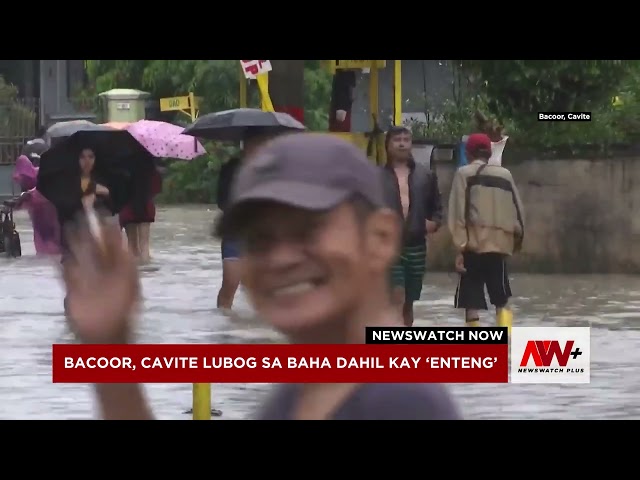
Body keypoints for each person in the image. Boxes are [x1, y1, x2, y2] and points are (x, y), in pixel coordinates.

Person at [61, 133, 461, 420]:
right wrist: (111, 349)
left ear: (380, 238)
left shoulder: (396, 400)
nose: (281, 259)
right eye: (260, 239)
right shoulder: (307, 389)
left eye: (307, 230)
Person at [447, 133, 525, 330]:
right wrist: (515, 242)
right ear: (489, 152)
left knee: (471, 301)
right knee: (502, 299)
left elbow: (457, 212)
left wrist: (460, 247)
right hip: (499, 246)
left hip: (473, 246)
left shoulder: (464, 174)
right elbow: (518, 210)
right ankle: (505, 342)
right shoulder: (505, 174)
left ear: (468, 152)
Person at [381, 126, 443, 327]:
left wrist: (434, 222)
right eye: (397, 139)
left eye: (406, 140)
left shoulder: (425, 175)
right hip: (389, 245)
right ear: (387, 145)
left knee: (408, 302)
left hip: (416, 244)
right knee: (396, 295)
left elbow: (437, 207)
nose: (401, 143)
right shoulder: (375, 176)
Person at [215, 128, 280, 310]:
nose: (260, 149)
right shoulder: (231, 168)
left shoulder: (270, 170)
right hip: (235, 231)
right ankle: (223, 327)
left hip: (262, 233)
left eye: (264, 144)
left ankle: (257, 330)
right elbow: (221, 201)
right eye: (256, 144)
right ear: (247, 145)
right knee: (230, 283)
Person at [12, 155, 61, 256]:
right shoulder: (27, 188)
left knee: (55, 242)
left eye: (23, 179)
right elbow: (25, 201)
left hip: (52, 215)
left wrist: (28, 195)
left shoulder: (41, 174)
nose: (21, 183)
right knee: (41, 247)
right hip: (39, 220)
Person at [119, 160, 162, 264]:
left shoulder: (123, 166)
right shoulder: (152, 168)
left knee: (132, 245)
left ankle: (135, 274)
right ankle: (147, 271)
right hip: (145, 206)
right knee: (145, 245)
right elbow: (156, 190)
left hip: (127, 207)